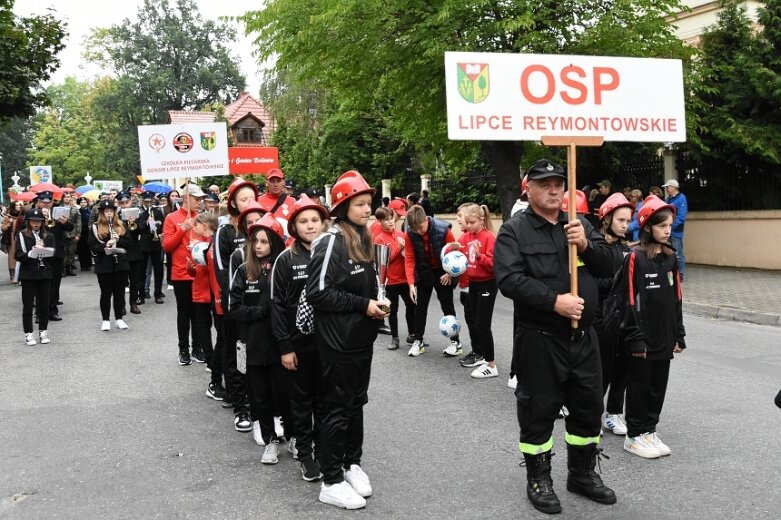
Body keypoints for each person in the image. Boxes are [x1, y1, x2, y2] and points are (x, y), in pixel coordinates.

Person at [493, 159, 617, 515]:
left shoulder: (579, 225)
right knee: (539, 410)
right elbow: (509, 280)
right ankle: (539, 479)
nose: (553, 190)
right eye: (544, 183)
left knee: (589, 407)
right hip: (541, 337)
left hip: (584, 339)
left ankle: (581, 473)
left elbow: (611, 265)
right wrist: (554, 302)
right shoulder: (514, 231)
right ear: (528, 188)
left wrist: (588, 246)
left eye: (558, 184)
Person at [307, 170, 388, 510]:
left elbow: (365, 285)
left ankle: (351, 463)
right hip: (337, 343)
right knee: (337, 410)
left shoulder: (363, 236)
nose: (367, 209)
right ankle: (331, 479)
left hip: (360, 341)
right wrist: (363, 305)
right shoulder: (331, 241)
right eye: (360, 204)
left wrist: (378, 301)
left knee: (356, 404)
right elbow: (319, 293)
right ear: (342, 206)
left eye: (369, 203)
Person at [621, 195, 686, 459]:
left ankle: (649, 429)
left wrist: (678, 334)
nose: (667, 230)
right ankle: (634, 434)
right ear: (647, 227)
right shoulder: (634, 257)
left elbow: (676, 299)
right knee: (640, 385)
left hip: (664, 335)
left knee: (658, 385)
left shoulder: (670, 257)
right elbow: (627, 299)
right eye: (662, 226)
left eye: (669, 225)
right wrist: (634, 336)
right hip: (642, 338)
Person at [271, 193, 328, 480]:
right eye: (303, 221)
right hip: (298, 346)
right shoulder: (286, 259)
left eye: (315, 220)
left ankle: (322, 450)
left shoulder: (333, 253)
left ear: (323, 223)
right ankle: (305, 455)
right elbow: (278, 307)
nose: (310, 226)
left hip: (329, 344)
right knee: (302, 402)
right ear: (294, 226)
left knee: (325, 401)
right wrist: (285, 347)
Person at [231, 214, 289, 465]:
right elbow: (233, 308)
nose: (258, 246)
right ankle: (269, 440)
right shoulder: (244, 270)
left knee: (285, 393)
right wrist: (258, 313)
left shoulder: (283, 268)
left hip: (279, 344)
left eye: (264, 241)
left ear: (275, 243)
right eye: (255, 241)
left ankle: (294, 436)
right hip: (248, 344)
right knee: (257, 394)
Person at [214, 178, 258, 433]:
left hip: (259, 310)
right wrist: (235, 303)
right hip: (236, 307)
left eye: (252, 198)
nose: (248, 203)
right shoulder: (226, 231)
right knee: (237, 354)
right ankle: (239, 402)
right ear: (232, 203)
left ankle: (257, 401)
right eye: (243, 199)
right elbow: (222, 271)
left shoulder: (263, 231)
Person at [594, 193, 634, 436]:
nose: (625, 225)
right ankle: (592, 413)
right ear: (607, 219)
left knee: (624, 366)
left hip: (624, 316)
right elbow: (590, 282)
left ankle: (614, 413)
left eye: (628, 221)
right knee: (603, 368)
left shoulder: (626, 249)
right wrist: (618, 282)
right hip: (601, 316)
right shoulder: (596, 247)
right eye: (620, 220)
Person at [403, 205, 462, 357]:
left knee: (447, 306)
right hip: (424, 272)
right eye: (414, 229)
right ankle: (418, 341)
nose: (418, 231)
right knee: (419, 307)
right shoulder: (409, 233)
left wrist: (450, 274)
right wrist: (410, 284)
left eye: (420, 227)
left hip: (443, 272)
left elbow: (455, 254)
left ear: (426, 219)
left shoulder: (443, 229)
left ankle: (456, 343)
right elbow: (409, 259)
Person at [448, 203, 498, 379]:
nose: (468, 226)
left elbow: (494, 265)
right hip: (474, 284)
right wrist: (452, 249)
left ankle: (491, 364)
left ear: (481, 220)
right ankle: (483, 357)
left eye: (472, 222)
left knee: (483, 325)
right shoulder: (465, 236)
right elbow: (457, 253)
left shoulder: (489, 238)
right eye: (466, 222)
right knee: (477, 323)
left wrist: (480, 257)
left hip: (487, 284)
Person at [162, 183, 207, 365]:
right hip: (181, 274)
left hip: (199, 273)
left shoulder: (203, 218)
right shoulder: (171, 218)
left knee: (199, 313)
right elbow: (167, 246)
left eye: (201, 199)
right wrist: (183, 229)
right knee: (184, 313)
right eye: (197, 199)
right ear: (186, 198)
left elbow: (208, 243)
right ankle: (183, 350)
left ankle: (197, 348)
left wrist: (198, 242)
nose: (200, 202)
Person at [372, 206, 414, 351]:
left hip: (405, 279)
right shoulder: (379, 239)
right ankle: (395, 338)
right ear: (379, 222)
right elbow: (385, 260)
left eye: (391, 218)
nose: (390, 222)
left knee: (412, 306)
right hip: (389, 281)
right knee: (391, 310)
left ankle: (413, 335)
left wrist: (405, 250)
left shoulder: (401, 233)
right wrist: (399, 248)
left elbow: (409, 255)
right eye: (386, 220)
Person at [88, 199, 132, 331]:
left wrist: (118, 239)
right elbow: (91, 246)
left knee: (119, 293)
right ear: (102, 213)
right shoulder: (95, 227)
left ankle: (119, 319)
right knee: (105, 293)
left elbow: (129, 243)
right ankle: (105, 320)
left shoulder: (121, 225)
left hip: (121, 263)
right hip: (104, 264)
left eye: (111, 211)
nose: (109, 213)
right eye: (106, 211)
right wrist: (105, 245)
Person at [15, 208, 55, 345]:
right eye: (33, 221)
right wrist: (33, 250)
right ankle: (28, 333)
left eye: (39, 221)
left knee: (44, 305)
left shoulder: (48, 236)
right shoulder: (22, 235)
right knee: (27, 305)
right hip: (28, 275)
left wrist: (44, 249)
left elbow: (53, 256)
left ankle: (43, 331)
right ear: (28, 222)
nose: (36, 224)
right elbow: (19, 255)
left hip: (44, 274)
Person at [36, 191, 74, 321]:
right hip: (40, 254)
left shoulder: (58, 212)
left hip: (56, 253)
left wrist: (64, 222)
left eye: (49, 202)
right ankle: (40, 313)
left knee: (55, 283)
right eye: (44, 202)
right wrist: (41, 218)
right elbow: (25, 229)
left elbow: (70, 227)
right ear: (39, 202)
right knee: (40, 284)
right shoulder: (33, 214)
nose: (46, 205)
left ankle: (52, 310)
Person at [115, 191, 143, 314]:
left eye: (126, 202)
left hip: (134, 251)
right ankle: (121, 305)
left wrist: (135, 223)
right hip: (121, 251)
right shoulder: (116, 216)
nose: (124, 205)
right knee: (121, 281)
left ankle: (133, 303)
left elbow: (143, 229)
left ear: (130, 201)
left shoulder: (137, 213)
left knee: (134, 281)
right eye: (122, 203)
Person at [138, 192, 165, 304]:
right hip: (144, 245)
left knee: (158, 271)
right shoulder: (139, 212)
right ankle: (142, 295)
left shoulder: (157, 212)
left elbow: (163, 226)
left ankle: (158, 294)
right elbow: (138, 228)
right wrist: (147, 223)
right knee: (141, 272)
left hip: (155, 244)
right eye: (146, 202)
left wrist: (156, 225)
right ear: (143, 201)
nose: (148, 204)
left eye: (150, 202)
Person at [661, 179, 688, 281]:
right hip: (668, 230)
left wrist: (671, 226)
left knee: (678, 254)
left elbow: (681, 216)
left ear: (674, 187)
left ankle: (679, 275)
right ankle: (671, 274)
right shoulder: (668, 199)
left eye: (668, 187)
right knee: (668, 253)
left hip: (676, 232)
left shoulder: (681, 198)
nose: (667, 189)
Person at [2, 200, 23, 282]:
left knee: (20, 254)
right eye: (17, 205)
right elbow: (3, 228)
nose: (19, 206)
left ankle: (20, 273)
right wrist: (9, 223)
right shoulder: (8, 217)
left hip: (20, 237)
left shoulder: (21, 216)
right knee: (12, 255)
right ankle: (13, 274)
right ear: (13, 207)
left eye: (19, 205)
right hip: (11, 237)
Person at [61, 192, 80, 276]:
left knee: (71, 251)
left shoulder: (75, 209)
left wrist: (78, 234)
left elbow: (78, 222)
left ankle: (70, 268)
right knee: (64, 251)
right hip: (62, 233)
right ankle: (64, 269)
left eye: (68, 197)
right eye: (65, 197)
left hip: (72, 233)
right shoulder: (59, 208)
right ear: (63, 198)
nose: (67, 198)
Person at [76, 197, 93, 271]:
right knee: (80, 249)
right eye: (82, 202)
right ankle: (82, 265)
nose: (83, 204)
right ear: (79, 203)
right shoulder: (77, 212)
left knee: (88, 248)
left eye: (85, 202)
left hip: (88, 232)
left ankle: (88, 265)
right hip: (80, 232)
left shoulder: (90, 211)